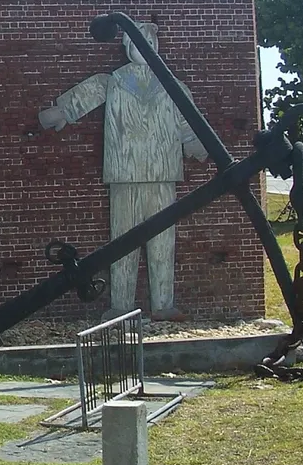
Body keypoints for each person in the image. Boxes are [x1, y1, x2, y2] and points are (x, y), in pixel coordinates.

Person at [38, 22, 208, 320]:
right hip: (123, 173)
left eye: (149, 42)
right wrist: (63, 111)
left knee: (163, 243)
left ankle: (164, 304)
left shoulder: (172, 85)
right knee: (122, 243)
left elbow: (187, 120)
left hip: (162, 172)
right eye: (137, 42)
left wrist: (196, 143)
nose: (144, 47)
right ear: (128, 48)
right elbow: (90, 93)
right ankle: (121, 306)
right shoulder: (113, 81)